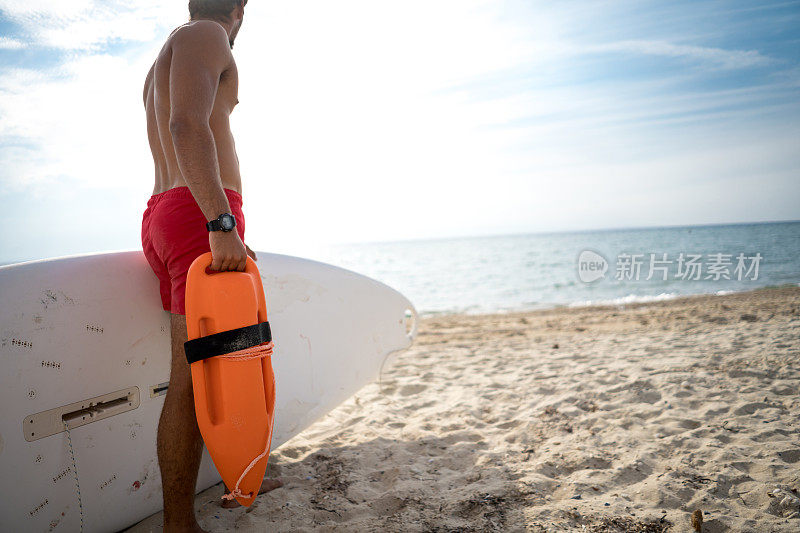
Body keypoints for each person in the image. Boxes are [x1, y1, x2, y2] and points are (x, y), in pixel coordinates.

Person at [140, 1, 281, 530]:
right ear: (240, 6)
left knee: (213, 362)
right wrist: (221, 224)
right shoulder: (206, 34)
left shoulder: (167, 54)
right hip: (199, 214)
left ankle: (240, 473)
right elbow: (186, 125)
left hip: (170, 212)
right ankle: (179, 522)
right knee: (197, 374)